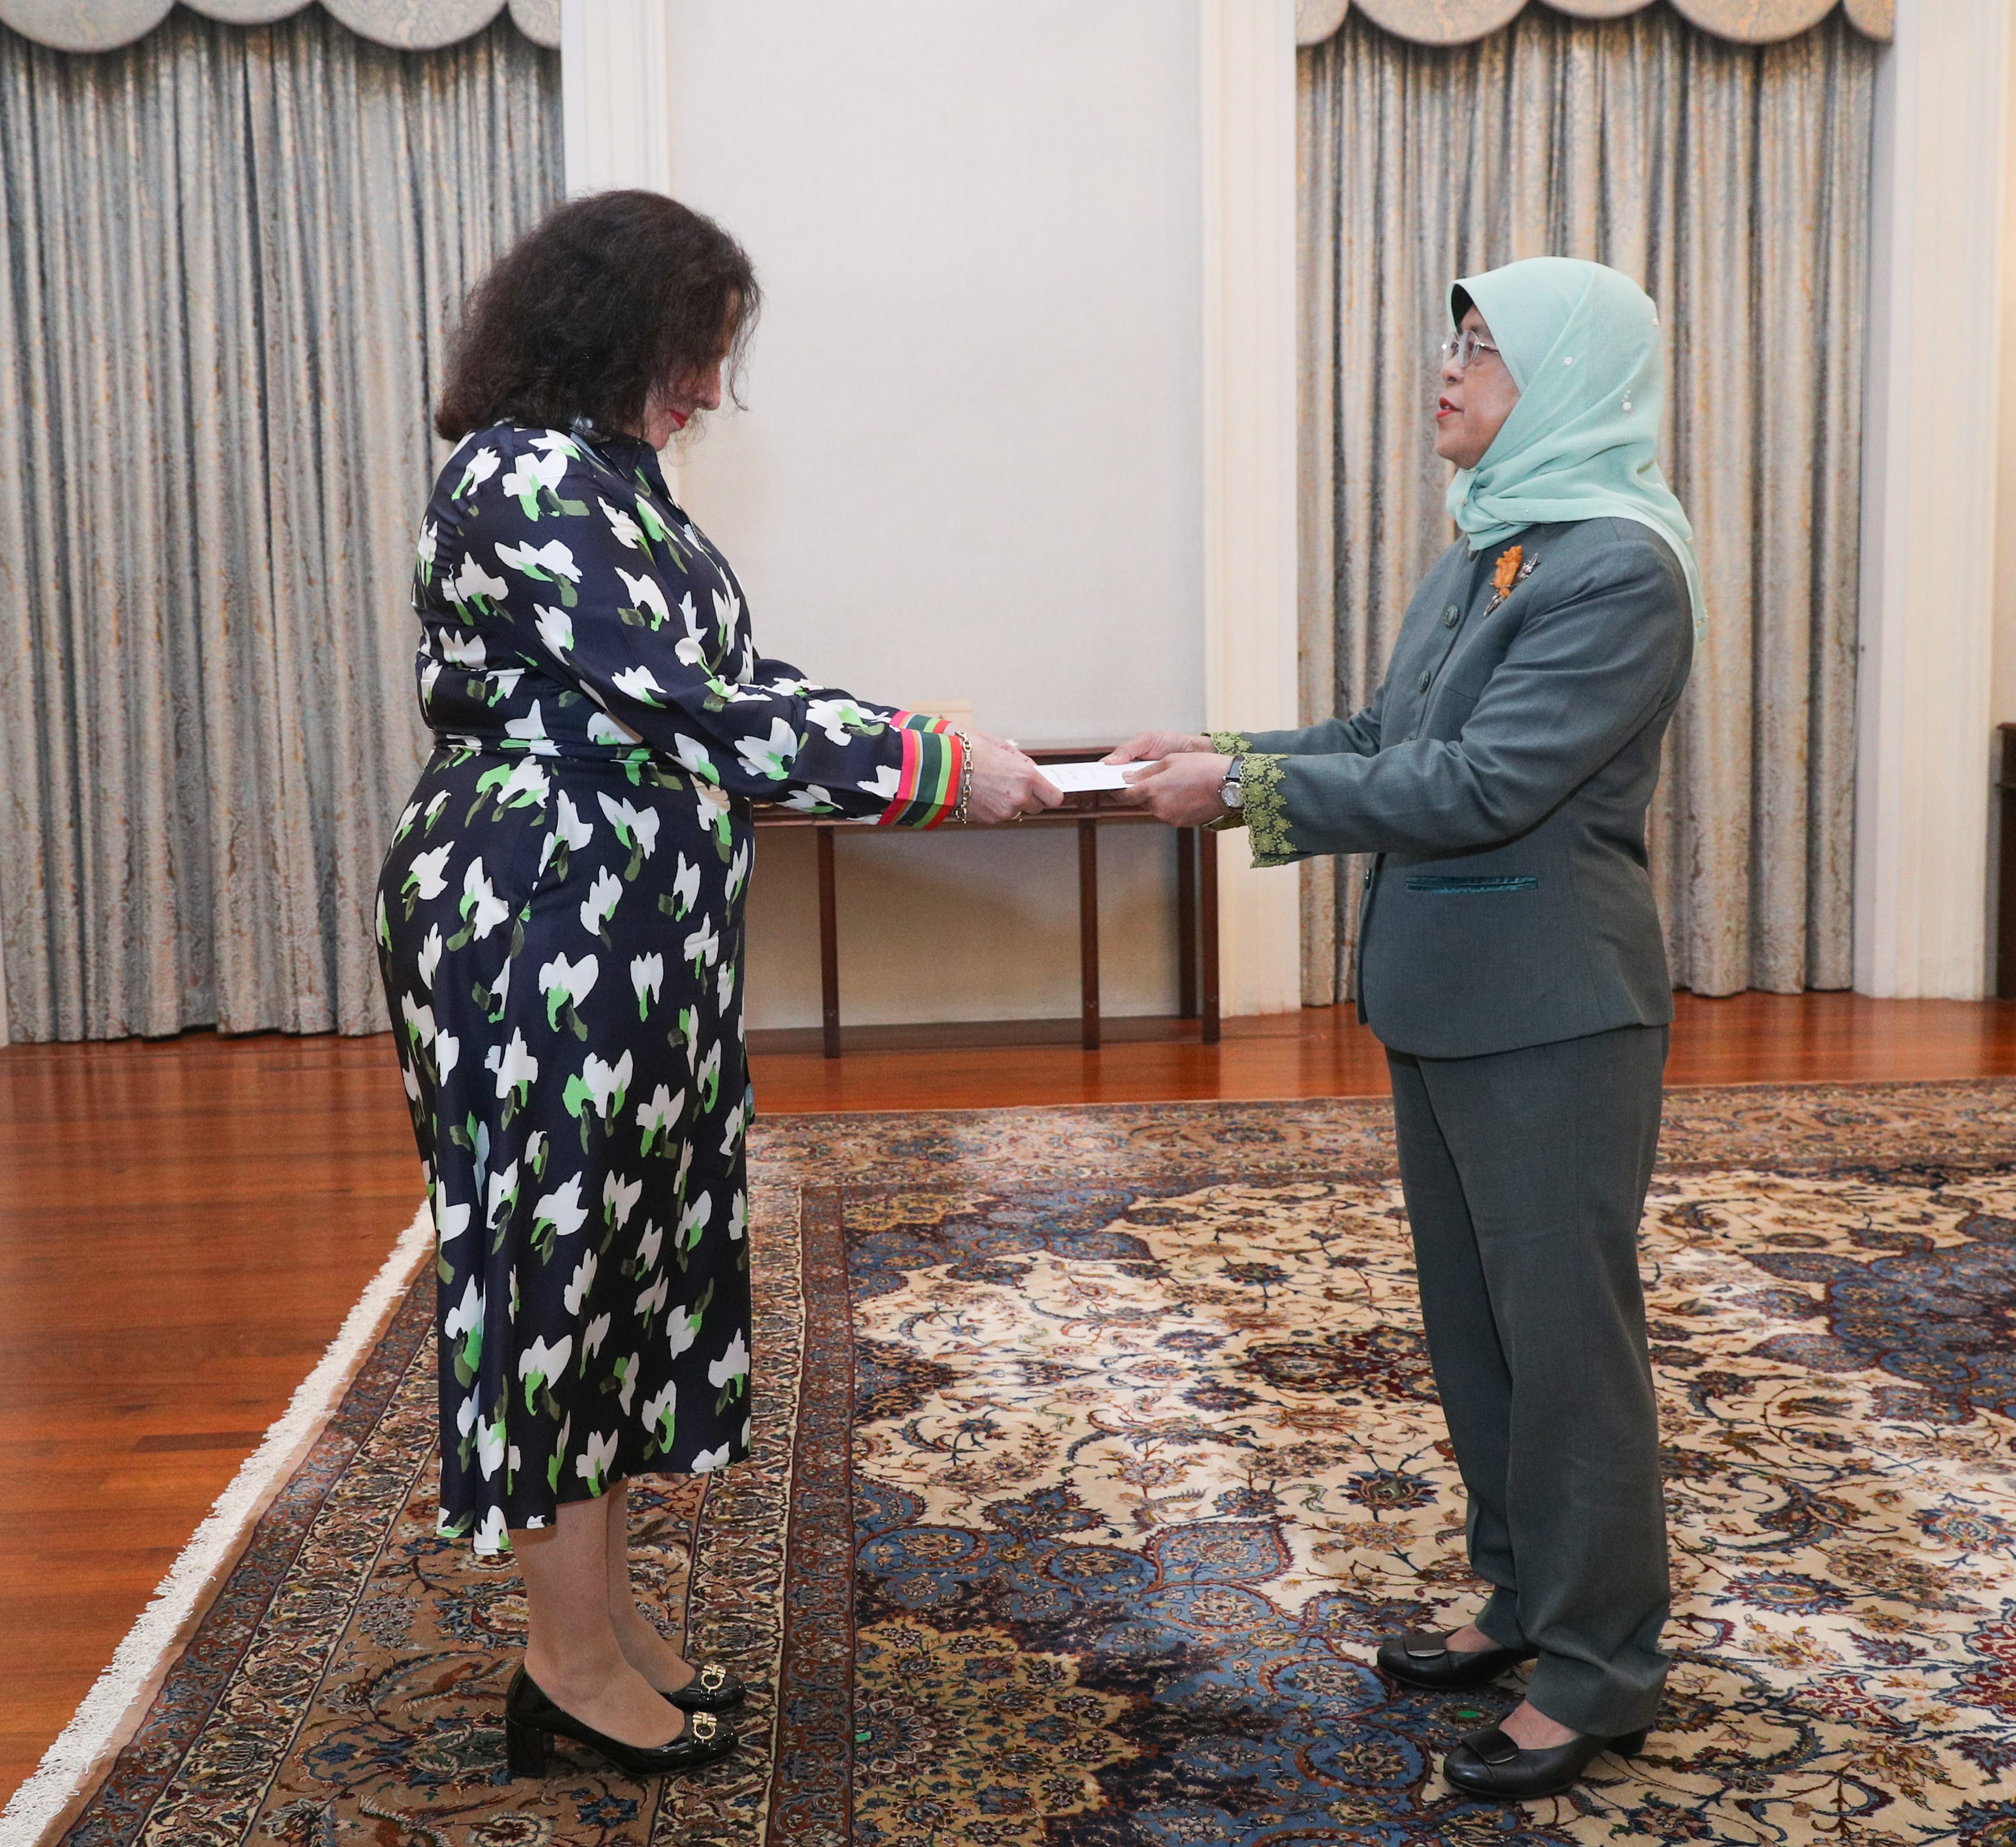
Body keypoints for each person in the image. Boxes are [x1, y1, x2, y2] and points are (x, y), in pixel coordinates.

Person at [376, 190, 1058, 1781]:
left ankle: (599, 1630)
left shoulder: (612, 479)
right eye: (695, 356)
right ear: (615, 330)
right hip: (538, 919)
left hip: (633, 923)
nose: (708, 395)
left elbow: (733, 688)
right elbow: (693, 707)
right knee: (558, 1266)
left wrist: (916, 729)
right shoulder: (524, 474)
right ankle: (561, 1659)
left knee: (618, 1260)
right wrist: (932, 766)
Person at [1112, 256, 1699, 1801]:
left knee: (1568, 1345)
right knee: (1478, 1330)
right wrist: (1229, 749)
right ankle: (1526, 1603)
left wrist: (1243, 795)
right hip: (1450, 998)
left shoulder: (1620, 568)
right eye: (1453, 343)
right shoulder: (1493, 547)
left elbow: (1487, 786)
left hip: (1556, 1013)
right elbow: (1390, 743)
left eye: (1488, 350)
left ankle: (1601, 1670)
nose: (1450, 373)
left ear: (1571, 380)